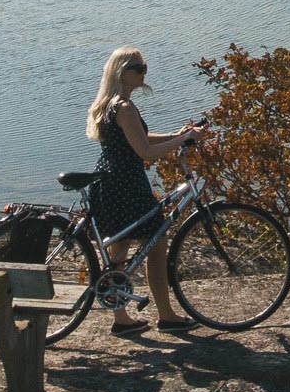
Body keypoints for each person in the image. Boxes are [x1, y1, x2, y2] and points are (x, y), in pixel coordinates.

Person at [86, 45, 203, 336]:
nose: (143, 72)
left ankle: (121, 319)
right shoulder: (124, 108)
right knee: (157, 239)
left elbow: (139, 136)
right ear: (122, 73)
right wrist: (184, 140)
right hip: (126, 183)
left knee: (120, 249)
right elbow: (144, 150)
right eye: (137, 68)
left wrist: (177, 134)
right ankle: (165, 315)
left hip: (112, 181)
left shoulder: (111, 103)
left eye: (144, 67)